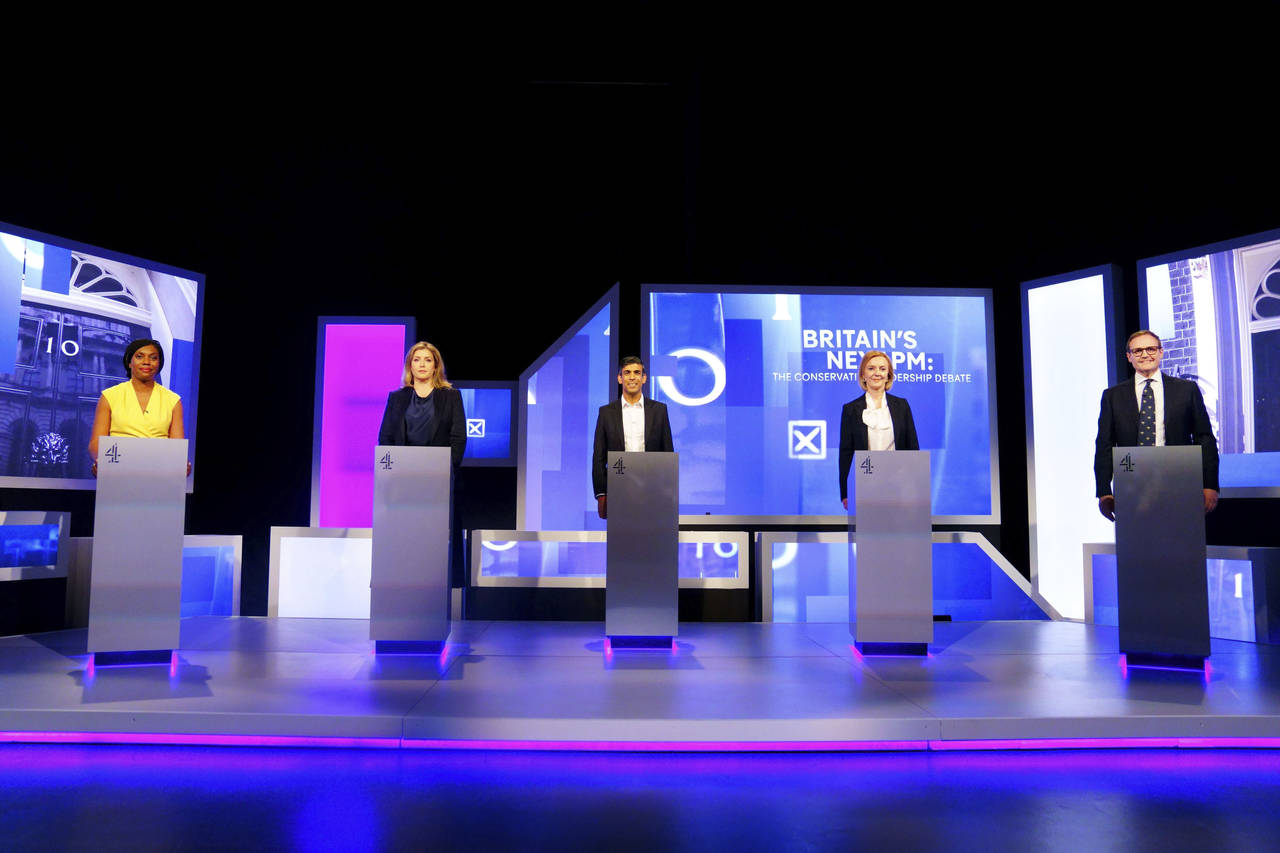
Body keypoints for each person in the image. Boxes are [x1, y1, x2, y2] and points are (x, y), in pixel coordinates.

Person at [1094, 330, 1219, 521]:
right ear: (1129, 357)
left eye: (1151, 348)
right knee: (1138, 547)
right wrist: (1104, 491)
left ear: (1161, 352)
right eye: (1137, 351)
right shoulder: (1112, 396)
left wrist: (1210, 484)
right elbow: (1104, 445)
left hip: (1180, 481)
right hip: (1132, 486)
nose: (1145, 354)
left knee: (1181, 544)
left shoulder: (1186, 390)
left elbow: (1205, 438)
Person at [88, 338, 190, 476]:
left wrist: (182, 464)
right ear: (129, 362)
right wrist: (101, 461)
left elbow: (177, 447)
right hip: (118, 474)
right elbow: (96, 443)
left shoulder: (173, 400)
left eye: (153, 358)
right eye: (139, 356)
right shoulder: (109, 396)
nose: (146, 362)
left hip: (160, 475)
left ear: (159, 364)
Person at [591, 356, 675, 519]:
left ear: (644, 378)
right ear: (619, 378)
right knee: (622, 541)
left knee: (652, 539)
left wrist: (669, 491)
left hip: (654, 488)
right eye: (627, 372)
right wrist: (601, 494)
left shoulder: (659, 410)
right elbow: (599, 457)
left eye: (637, 373)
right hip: (618, 488)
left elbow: (668, 454)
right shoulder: (606, 412)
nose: (632, 377)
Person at [837, 350, 919, 509]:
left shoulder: (902, 406)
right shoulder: (850, 409)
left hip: (899, 485)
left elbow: (913, 447)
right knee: (868, 533)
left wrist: (915, 486)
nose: (877, 373)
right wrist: (845, 492)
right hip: (865, 484)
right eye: (871, 368)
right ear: (863, 374)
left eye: (882, 369)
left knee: (898, 531)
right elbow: (845, 453)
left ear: (889, 375)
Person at [377, 342, 467, 466]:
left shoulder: (451, 396)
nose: (422, 364)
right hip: (402, 468)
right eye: (417, 360)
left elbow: (458, 437)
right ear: (410, 366)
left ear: (435, 366)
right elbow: (386, 436)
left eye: (428, 360)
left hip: (438, 469)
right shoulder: (396, 398)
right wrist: (392, 468)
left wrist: (449, 467)